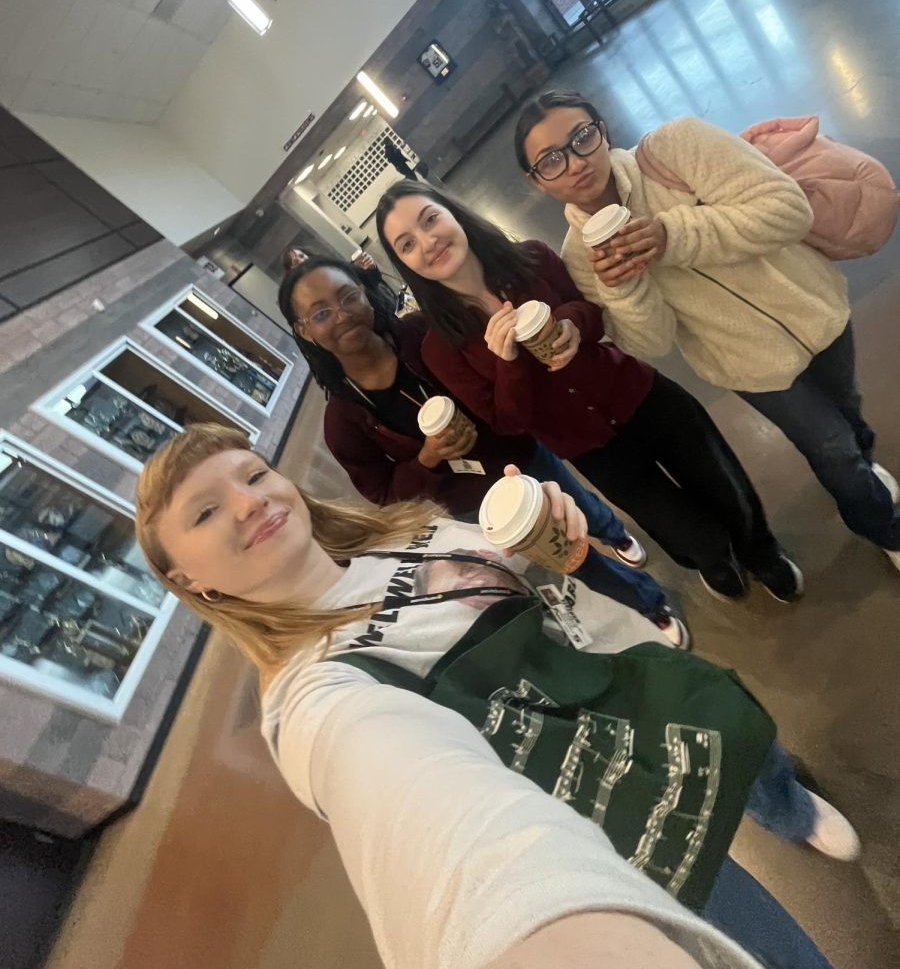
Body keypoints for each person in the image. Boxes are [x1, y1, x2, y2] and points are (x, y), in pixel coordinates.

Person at [134, 423, 858, 969]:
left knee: (744, 740)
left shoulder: (398, 533)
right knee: (738, 928)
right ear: (190, 582)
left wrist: (545, 526)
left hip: (625, 678)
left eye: (254, 474)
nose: (246, 503)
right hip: (597, 804)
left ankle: (787, 810)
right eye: (203, 513)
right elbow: (423, 812)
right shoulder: (312, 697)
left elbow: (527, 562)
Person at [514, 91, 900, 571]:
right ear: (537, 182)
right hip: (747, 364)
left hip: (814, 308)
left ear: (602, 128)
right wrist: (628, 284)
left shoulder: (678, 147)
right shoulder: (578, 257)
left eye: (581, 136)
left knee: (849, 406)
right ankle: (882, 525)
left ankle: (864, 463)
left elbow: (787, 209)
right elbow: (651, 342)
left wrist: (672, 236)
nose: (574, 162)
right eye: (551, 160)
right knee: (830, 447)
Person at [376, 181, 803, 605]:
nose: (428, 242)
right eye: (407, 244)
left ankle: (761, 551)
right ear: (404, 263)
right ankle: (713, 560)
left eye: (430, 219)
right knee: (680, 527)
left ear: (452, 213)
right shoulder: (441, 346)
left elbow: (594, 313)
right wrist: (510, 362)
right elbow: (509, 422)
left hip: (641, 394)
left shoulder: (532, 258)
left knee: (722, 483)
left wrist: (571, 326)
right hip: (590, 447)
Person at [277, 255, 684, 643]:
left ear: (365, 292)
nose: (342, 314)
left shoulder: (419, 332)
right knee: (566, 554)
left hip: (515, 454)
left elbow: (487, 372)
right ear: (303, 329)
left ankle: (613, 532)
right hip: (475, 502)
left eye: (348, 296)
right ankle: (648, 603)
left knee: (576, 502)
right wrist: (428, 458)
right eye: (320, 313)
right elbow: (383, 494)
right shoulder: (344, 419)